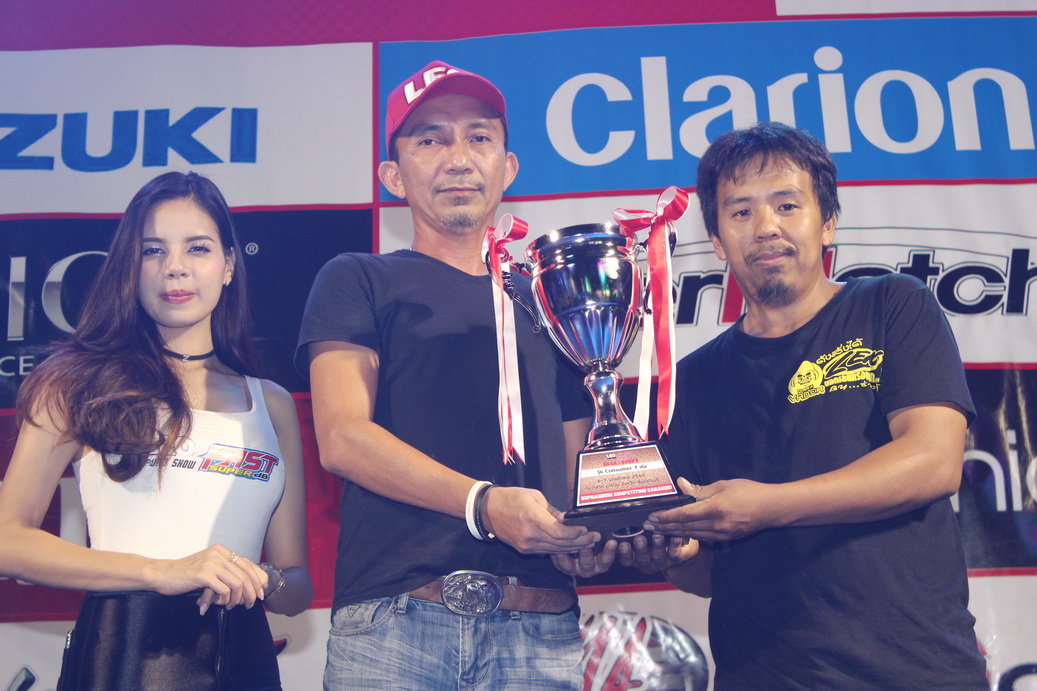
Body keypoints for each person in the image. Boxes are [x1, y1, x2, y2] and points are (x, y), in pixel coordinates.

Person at [625, 121, 988, 688]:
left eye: (787, 205)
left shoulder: (892, 305)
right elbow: (710, 575)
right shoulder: (689, 382)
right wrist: (673, 551)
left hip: (915, 671)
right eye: (741, 211)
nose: (766, 227)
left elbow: (933, 461)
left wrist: (768, 506)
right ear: (717, 239)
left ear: (828, 221)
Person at [297, 61, 596, 690]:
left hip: (542, 632)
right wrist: (483, 504)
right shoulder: (357, 278)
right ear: (393, 175)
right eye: (430, 139)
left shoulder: (552, 299)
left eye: (478, 137)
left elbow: (575, 472)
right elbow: (342, 438)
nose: (458, 159)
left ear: (507, 167)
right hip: (397, 627)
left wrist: (592, 535)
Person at [0, 171, 313, 690]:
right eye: (153, 251)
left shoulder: (271, 404)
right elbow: (7, 541)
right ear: (131, 267)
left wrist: (262, 578)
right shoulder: (76, 384)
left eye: (197, 248)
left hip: (245, 662)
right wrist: (163, 572)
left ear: (228, 265)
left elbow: (296, 585)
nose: (175, 267)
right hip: (125, 657)